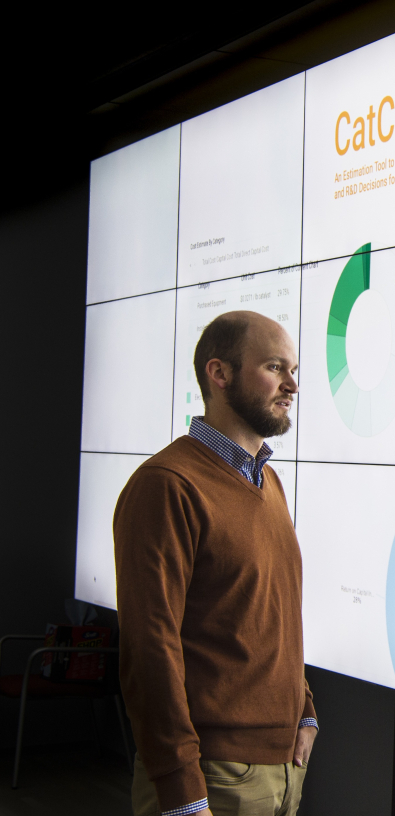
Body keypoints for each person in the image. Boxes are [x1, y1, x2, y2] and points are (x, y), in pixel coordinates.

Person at [115, 311, 316, 816]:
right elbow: (149, 648)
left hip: (282, 769)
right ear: (219, 374)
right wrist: (182, 790)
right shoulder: (168, 484)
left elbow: (271, 614)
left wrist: (305, 712)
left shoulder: (267, 482)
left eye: (294, 370)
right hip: (213, 775)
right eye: (275, 368)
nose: (292, 384)